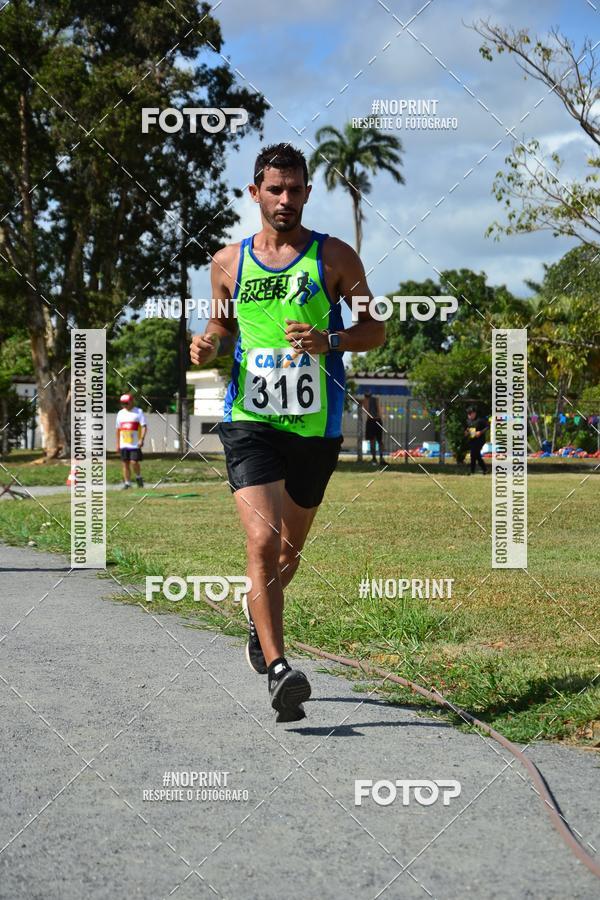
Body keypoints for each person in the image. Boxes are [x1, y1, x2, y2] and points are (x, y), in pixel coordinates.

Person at [190, 143, 385, 723]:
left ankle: (259, 619)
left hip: (315, 427)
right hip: (250, 420)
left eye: (295, 189)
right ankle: (279, 670)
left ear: (306, 192)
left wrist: (333, 341)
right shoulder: (228, 262)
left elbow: (375, 330)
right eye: (274, 189)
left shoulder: (336, 258)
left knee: (288, 554)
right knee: (262, 542)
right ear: (255, 193)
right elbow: (220, 324)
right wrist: (206, 343)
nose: (285, 199)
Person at [116, 394, 147, 489]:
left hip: (134, 444)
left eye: (126, 403)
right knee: (125, 463)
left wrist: (142, 439)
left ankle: (138, 477)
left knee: (134, 462)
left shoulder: (138, 412)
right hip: (123, 443)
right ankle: (127, 483)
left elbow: (144, 426)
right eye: (122, 403)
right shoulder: (120, 413)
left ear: (131, 402)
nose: (124, 405)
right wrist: (117, 443)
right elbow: (118, 429)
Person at [362, 388, 385, 464]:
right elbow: (378, 411)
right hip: (375, 421)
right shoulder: (373, 400)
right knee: (377, 441)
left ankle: (377, 458)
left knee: (376, 441)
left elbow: (375, 410)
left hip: (373, 421)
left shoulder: (367, 400)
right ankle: (377, 458)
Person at [464, 407, 488, 475]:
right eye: (468, 414)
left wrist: (480, 432)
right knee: (475, 455)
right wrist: (466, 432)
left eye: (470, 414)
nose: (469, 416)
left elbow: (487, 427)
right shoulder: (468, 421)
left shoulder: (480, 420)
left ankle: (472, 470)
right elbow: (467, 429)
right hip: (472, 439)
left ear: (474, 413)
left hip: (480, 439)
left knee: (474, 453)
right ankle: (484, 469)